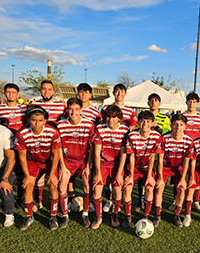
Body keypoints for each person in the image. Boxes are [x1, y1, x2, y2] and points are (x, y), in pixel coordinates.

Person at [15, 105, 62, 231]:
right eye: (34, 120)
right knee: (28, 185)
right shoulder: (22, 134)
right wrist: (26, 176)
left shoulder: (53, 132)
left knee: (52, 185)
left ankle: (53, 217)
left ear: (45, 121)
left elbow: (56, 154)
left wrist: (52, 174)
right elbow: (22, 157)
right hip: (32, 162)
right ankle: (29, 216)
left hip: (48, 162)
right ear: (29, 120)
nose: (37, 123)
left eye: (40, 120)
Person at [118, 111, 163, 228]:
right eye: (142, 121)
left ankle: (145, 216)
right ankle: (128, 216)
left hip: (147, 168)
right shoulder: (132, 136)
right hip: (133, 167)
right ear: (138, 122)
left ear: (152, 123)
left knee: (149, 188)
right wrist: (131, 174)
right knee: (127, 188)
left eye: (148, 121)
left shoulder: (156, 136)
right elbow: (131, 156)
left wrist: (149, 176)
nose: (145, 124)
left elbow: (152, 157)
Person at [57, 98, 95, 228]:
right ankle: (64, 215)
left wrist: (88, 166)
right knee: (62, 186)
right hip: (67, 161)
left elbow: (91, 147)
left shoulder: (89, 124)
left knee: (86, 186)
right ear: (67, 109)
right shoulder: (61, 125)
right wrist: (62, 166)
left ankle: (85, 214)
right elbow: (59, 148)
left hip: (82, 161)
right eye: (71, 109)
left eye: (77, 109)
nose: (73, 112)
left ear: (81, 110)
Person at [92, 105, 130, 228]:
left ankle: (114, 214)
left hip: (117, 163)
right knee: (97, 187)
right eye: (108, 116)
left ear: (119, 118)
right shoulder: (100, 128)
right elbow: (97, 152)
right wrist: (97, 172)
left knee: (117, 189)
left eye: (114, 117)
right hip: (103, 162)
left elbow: (124, 153)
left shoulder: (125, 130)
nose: (111, 120)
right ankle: (99, 217)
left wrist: (119, 173)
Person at [101, 83, 137, 211]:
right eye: (117, 91)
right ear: (113, 93)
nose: (119, 94)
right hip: (108, 149)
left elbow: (131, 132)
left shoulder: (130, 111)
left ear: (125, 94)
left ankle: (118, 202)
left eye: (122, 92)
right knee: (108, 179)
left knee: (120, 177)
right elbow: (103, 125)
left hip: (122, 149)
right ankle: (109, 201)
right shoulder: (105, 108)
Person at [31, 80, 66, 210]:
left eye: (49, 89)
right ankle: (38, 201)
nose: (47, 92)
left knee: (53, 176)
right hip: (37, 144)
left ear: (53, 91)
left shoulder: (61, 106)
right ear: (40, 90)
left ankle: (58, 204)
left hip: (55, 145)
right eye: (44, 89)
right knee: (38, 176)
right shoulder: (34, 105)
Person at [154, 113, 194, 227]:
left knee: (181, 188)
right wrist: (160, 177)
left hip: (178, 168)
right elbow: (160, 160)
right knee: (159, 187)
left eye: (181, 125)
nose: (178, 127)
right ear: (171, 125)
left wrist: (183, 179)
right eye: (175, 124)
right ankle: (157, 215)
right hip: (165, 167)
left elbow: (186, 161)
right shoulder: (164, 138)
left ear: (185, 126)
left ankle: (176, 215)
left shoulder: (188, 141)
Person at [0, 83, 27, 208]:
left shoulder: (24, 108)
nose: (11, 94)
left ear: (17, 94)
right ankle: (4, 202)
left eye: (13, 92)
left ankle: (19, 200)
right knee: (4, 174)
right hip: (5, 145)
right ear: (4, 94)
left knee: (20, 174)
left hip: (20, 145)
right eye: (8, 92)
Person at [182, 92, 200, 213]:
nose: (191, 104)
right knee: (179, 176)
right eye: (189, 101)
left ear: (197, 103)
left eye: (194, 102)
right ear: (186, 102)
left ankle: (196, 201)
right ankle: (176, 200)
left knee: (195, 177)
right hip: (183, 152)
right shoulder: (181, 116)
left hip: (196, 153)